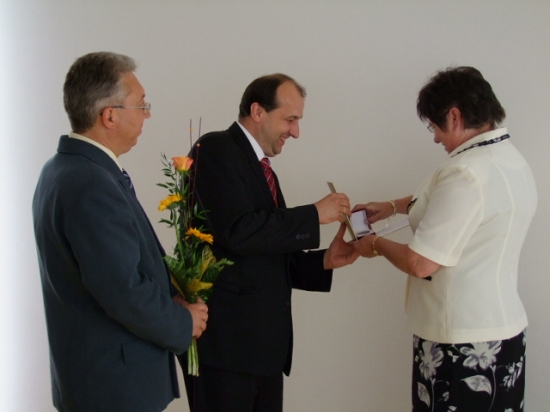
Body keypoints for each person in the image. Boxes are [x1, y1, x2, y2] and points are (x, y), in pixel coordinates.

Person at [352, 66, 537, 411]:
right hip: (502, 333)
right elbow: (449, 206)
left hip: (460, 344)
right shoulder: (508, 159)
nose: (435, 138)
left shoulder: (465, 172)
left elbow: (421, 263)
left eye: (434, 127)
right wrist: (391, 206)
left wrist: (373, 244)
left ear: (454, 116)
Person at [32, 52, 208, 412]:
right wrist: (182, 321)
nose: (147, 115)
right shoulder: (90, 182)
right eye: (141, 105)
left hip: (97, 378)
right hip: (113, 386)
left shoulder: (63, 168)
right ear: (109, 115)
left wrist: (170, 297)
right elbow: (122, 290)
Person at [181, 73, 359, 412]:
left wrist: (324, 260)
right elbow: (237, 230)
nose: (296, 132)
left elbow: (267, 251)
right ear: (258, 111)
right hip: (227, 349)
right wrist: (313, 215)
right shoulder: (215, 148)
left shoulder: (265, 170)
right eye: (290, 119)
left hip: (262, 352)